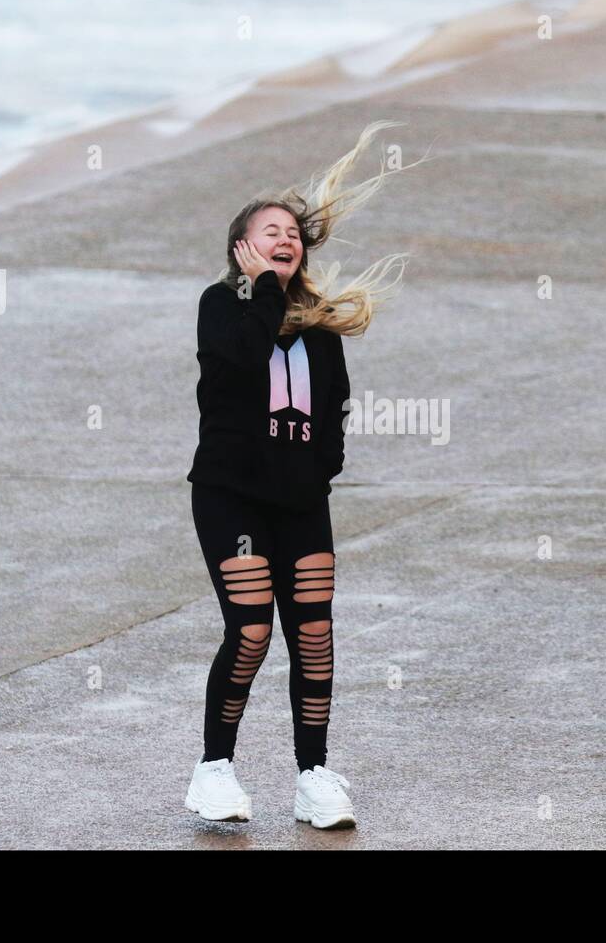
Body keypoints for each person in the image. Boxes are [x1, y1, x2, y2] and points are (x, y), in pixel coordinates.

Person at [182, 120, 425, 829]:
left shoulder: (317, 328)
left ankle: (314, 776)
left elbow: (334, 411)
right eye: (268, 232)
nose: (284, 239)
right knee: (252, 631)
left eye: (291, 232)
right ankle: (214, 770)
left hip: (299, 503)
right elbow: (243, 358)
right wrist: (260, 290)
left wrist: (320, 471)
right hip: (230, 498)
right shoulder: (221, 306)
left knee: (313, 636)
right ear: (241, 248)